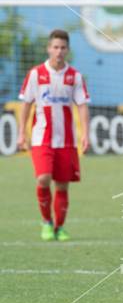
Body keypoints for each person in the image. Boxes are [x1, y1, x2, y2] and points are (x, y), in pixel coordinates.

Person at [17, 29, 90, 241]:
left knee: (62, 184)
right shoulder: (35, 74)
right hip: (41, 138)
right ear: (49, 48)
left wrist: (85, 134)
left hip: (66, 140)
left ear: (67, 50)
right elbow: (26, 104)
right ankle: (46, 222)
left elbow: (82, 106)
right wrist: (22, 133)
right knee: (43, 178)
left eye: (63, 48)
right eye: (55, 47)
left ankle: (59, 227)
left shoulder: (74, 76)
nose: (58, 51)